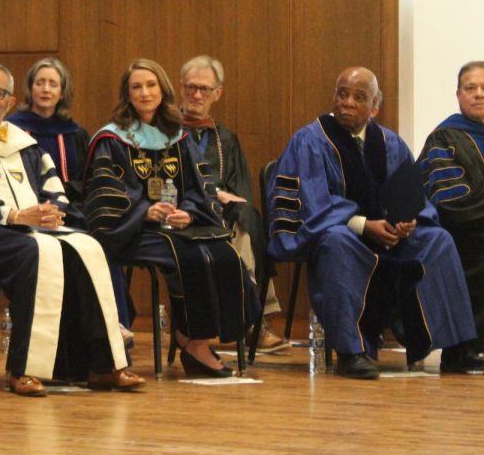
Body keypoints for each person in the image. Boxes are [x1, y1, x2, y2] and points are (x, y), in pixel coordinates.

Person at [0, 62, 144, 396]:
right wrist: (13, 216)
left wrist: (51, 212)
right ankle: (24, 368)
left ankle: (101, 365)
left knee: (87, 247)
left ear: (9, 101)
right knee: (34, 252)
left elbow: (54, 189)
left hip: (30, 232)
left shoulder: (24, 144)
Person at [269, 66, 483, 379]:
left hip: (389, 234)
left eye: (359, 97)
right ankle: (351, 351)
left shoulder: (390, 143)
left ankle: (456, 348)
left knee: (438, 239)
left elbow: (412, 196)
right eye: (342, 94)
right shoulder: (310, 140)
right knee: (337, 243)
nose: (347, 103)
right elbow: (310, 204)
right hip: (343, 234)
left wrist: (406, 222)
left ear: (375, 106)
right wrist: (363, 225)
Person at [83, 58, 259, 378]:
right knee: (189, 256)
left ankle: (203, 338)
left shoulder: (177, 136)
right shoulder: (112, 139)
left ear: (163, 90)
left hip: (176, 227)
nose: (145, 92)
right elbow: (105, 196)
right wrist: (144, 211)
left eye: (151, 85)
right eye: (136, 87)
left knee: (222, 253)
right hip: (133, 231)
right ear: (127, 93)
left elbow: (197, 186)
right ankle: (192, 341)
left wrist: (188, 214)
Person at [7, 57, 133, 341]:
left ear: (63, 92)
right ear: (30, 89)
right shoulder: (11, 128)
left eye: (53, 83)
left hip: (71, 210)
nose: (46, 89)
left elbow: (86, 179)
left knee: (100, 241)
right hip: (27, 209)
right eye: (40, 83)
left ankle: (115, 324)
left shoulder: (75, 132)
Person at [178, 55, 287, 354]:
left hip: (225, 217)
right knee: (238, 224)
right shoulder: (165, 133)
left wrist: (224, 202)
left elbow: (240, 192)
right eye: (191, 88)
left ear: (218, 93)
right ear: (181, 88)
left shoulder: (226, 138)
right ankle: (254, 323)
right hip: (183, 215)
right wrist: (211, 196)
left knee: (245, 218)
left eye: (204, 89)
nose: (197, 95)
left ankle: (252, 319)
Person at [420, 61, 484, 353]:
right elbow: (450, 205)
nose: (479, 94)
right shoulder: (445, 137)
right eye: (470, 88)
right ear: (458, 95)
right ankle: (466, 349)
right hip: (463, 232)